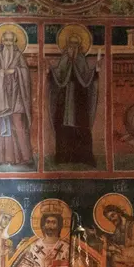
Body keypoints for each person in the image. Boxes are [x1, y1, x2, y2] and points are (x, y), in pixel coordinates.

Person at [50, 32, 100, 167]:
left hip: (79, 98)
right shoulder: (64, 59)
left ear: (80, 46)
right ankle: (63, 156)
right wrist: (51, 71)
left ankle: (83, 157)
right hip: (64, 98)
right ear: (67, 45)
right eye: (71, 44)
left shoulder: (81, 59)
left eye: (76, 44)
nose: (73, 47)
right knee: (63, 127)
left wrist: (95, 70)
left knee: (81, 126)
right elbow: (58, 75)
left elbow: (86, 76)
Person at [0, 28, 34, 166]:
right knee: (5, 127)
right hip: (3, 98)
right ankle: (5, 158)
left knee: (18, 125)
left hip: (17, 97)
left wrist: (16, 71)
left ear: (14, 42)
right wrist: (1, 73)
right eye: (6, 40)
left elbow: (25, 74)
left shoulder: (19, 56)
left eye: (10, 40)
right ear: (2, 41)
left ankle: (26, 157)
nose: (8, 43)